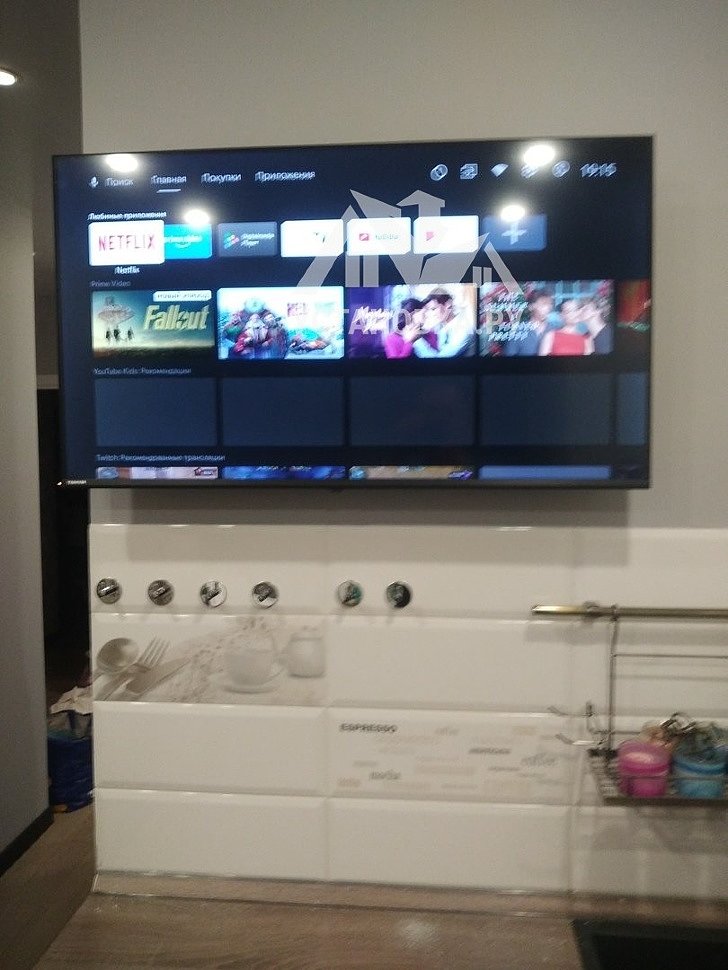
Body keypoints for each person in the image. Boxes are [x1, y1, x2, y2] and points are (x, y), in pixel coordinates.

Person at [413, 288, 475, 357]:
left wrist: (416, 341)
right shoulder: (440, 326)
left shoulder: (464, 329)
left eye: (434, 309)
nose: (432, 314)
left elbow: (440, 359)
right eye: (429, 310)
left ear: (448, 304)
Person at [503, 288, 554, 356]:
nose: (548, 308)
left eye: (550, 304)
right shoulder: (517, 331)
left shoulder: (554, 330)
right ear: (531, 307)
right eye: (544, 304)